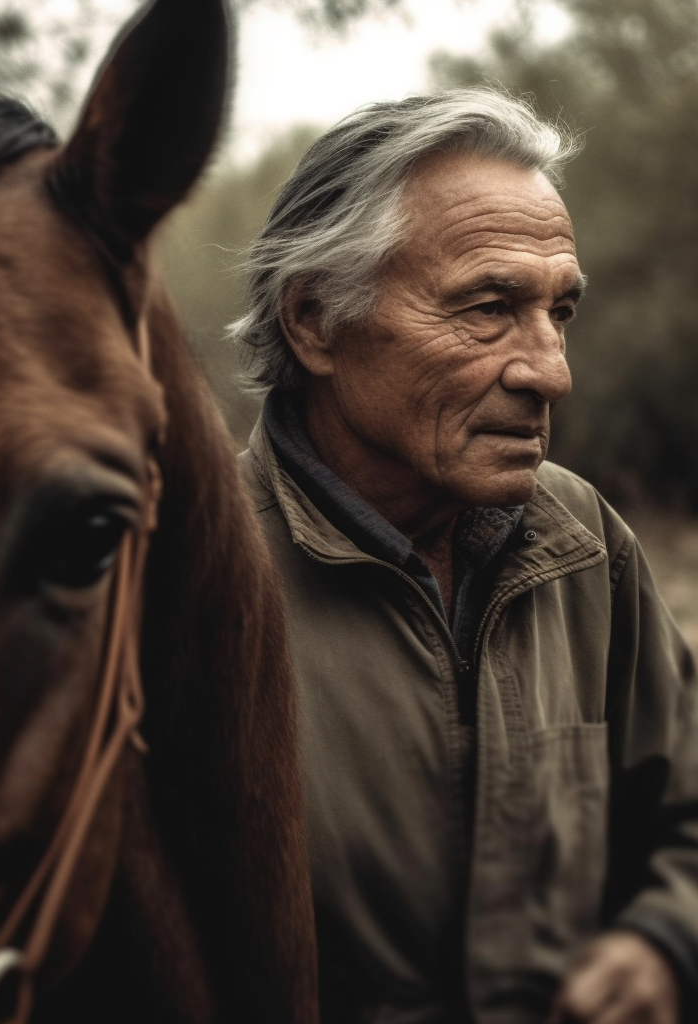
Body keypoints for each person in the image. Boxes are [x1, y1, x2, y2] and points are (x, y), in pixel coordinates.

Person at [230, 90, 698, 1024]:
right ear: (316, 320)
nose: (551, 370)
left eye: (559, 312)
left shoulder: (582, 543)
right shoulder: (194, 582)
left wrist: (664, 942)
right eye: (490, 307)